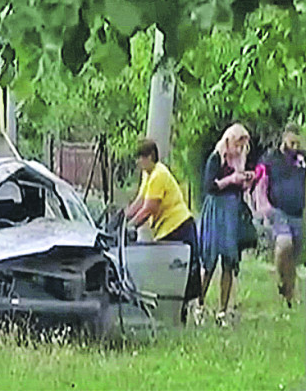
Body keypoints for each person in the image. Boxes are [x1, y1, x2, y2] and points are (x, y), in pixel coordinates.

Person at [125, 138, 203, 322]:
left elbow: (149, 208)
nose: (138, 162)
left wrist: (131, 226)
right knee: (167, 274)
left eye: (140, 158)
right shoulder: (148, 174)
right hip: (165, 229)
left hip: (178, 227)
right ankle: (172, 314)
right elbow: (140, 200)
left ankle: (186, 314)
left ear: (150, 157)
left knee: (183, 276)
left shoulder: (159, 174)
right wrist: (124, 216)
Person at [199, 123, 254, 324]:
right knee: (210, 261)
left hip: (232, 211)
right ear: (228, 141)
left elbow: (240, 189)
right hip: (216, 210)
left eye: (242, 145)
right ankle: (200, 303)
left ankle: (223, 309)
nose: (239, 149)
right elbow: (209, 186)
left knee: (229, 261)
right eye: (237, 144)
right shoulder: (216, 159)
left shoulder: (239, 160)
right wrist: (231, 179)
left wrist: (246, 181)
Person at [259, 124, 305, 307]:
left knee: (293, 257)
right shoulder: (271, 158)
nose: (294, 146)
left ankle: (289, 295)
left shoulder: (302, 159)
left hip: (297, 212)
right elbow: (261, 180)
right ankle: (280, 277)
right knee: (284, 243)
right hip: (278, 210)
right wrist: (263, 206)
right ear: (284, 138)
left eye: (297, 142)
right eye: (291, 142)